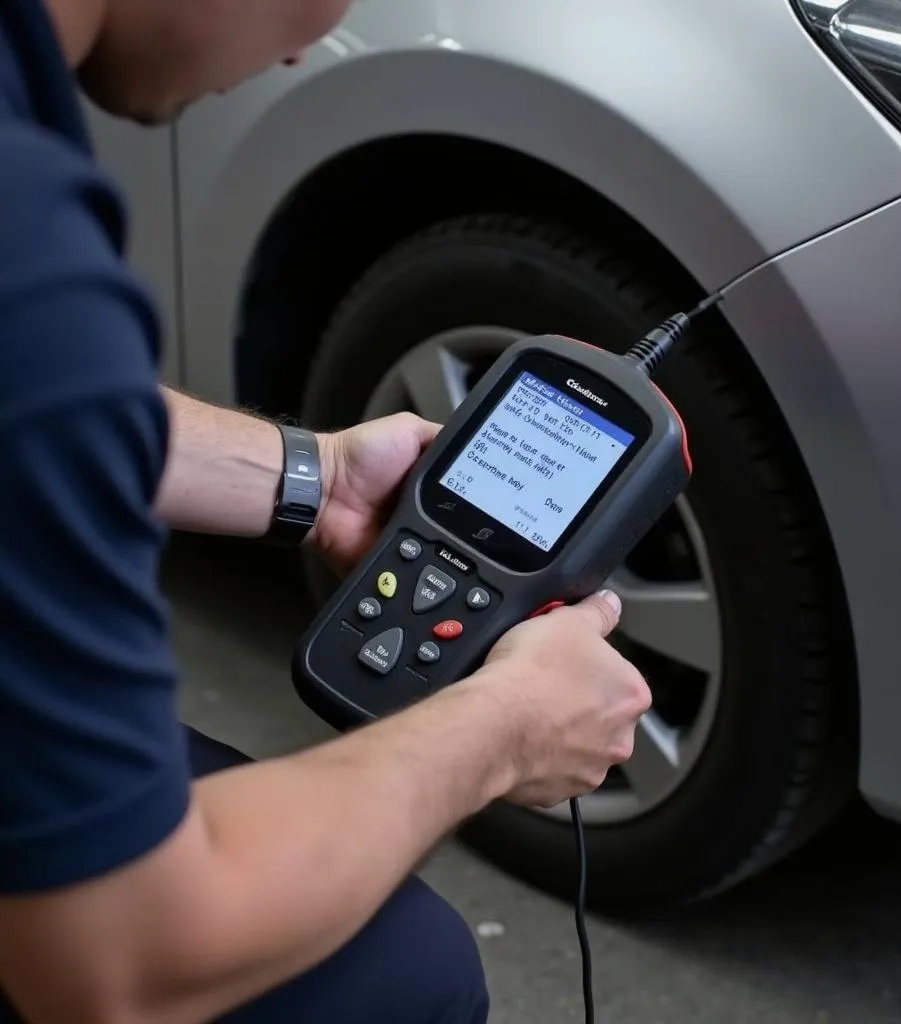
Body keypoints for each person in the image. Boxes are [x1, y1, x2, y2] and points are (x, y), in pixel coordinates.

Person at [0, 0, 654, 1022]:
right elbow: (123, 963)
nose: (309, 42)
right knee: (410, 975)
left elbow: (31, 402)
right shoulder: (29, 243)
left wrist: (311, 474)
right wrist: (504, 728)